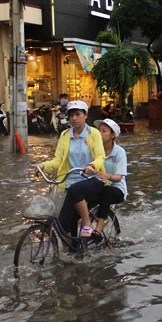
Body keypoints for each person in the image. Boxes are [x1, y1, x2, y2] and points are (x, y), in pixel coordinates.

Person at [41, 100, 106, 245]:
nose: (74, 118)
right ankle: (74, 250)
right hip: (70, 183)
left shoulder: (93, 133)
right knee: (64, 222)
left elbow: (101, 157)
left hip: (93, 180)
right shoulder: (64, 135)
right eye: (71, 115)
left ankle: (87, 223)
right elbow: (58, 160)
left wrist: (92, 165)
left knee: (75, 190)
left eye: (78, 114)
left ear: (85, 115)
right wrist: (43, 165)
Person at [82, 118, 128, 241]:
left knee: (107, 191)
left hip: (116, 189)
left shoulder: (119, 152)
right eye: (99, 131)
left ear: (113, 135)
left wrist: (107, 176)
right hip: (97, 186)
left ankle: (99, 228)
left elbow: (119, 177)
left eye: (104, 131)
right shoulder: (94, 150)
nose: (100, 134)